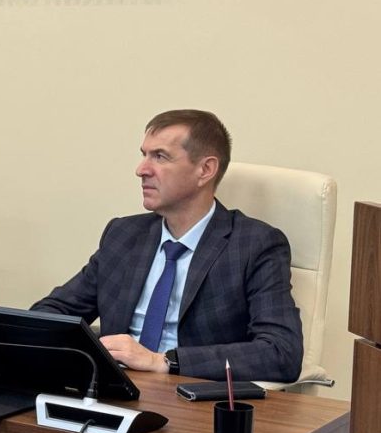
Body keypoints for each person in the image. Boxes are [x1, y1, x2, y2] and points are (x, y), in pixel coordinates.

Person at [31, 109, 303, 383]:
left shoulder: (254, 245)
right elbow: (51, 314)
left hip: (191, 396)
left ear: (205, 170)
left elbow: (281, 352)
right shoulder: (123, 235)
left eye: (160, 157)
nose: (141, 170)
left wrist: (162, 361)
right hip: (112, 389)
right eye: (144, 155)